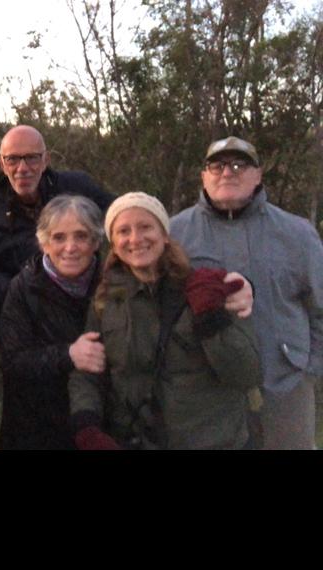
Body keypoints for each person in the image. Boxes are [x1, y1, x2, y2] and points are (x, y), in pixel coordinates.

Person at [69, 192, 261, 450]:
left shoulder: (207, 287)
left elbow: (247, 374)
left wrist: (211, 321)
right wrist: (87, 425)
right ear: (113, 244)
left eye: (145, 227)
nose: (135, 238)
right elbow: (88, 371)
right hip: (135, 440)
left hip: (212, 441)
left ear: (165, 235)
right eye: (123, 231)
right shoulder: (106, 299)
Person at [170, 136, 323, 449]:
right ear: (203, 176)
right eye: (217, 165)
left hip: (285, 390)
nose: (228, 172)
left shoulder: (297, 233)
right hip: (206, 397)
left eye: (240, 165)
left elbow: (319, 308)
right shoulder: (173, 235)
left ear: (258, 175)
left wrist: (308, 370)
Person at [0, 124, 115, 318]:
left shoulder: (77, 187)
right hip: (28, 316)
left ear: (46, 160)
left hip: (89, 309)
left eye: (32, 158)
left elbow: (119, 217)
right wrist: (22, 300)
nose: (22, 168)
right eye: (12, 159)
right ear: (2, 164)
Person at [0, 195, 106, 450]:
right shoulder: (24, 289)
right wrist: (68, 355)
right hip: (36, 430)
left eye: (81, 236)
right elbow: (13, 362)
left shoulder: (112, 285)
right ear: (43, 243)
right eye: (59, 238)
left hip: (100, 426)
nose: (70, 247)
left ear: (96, 241)